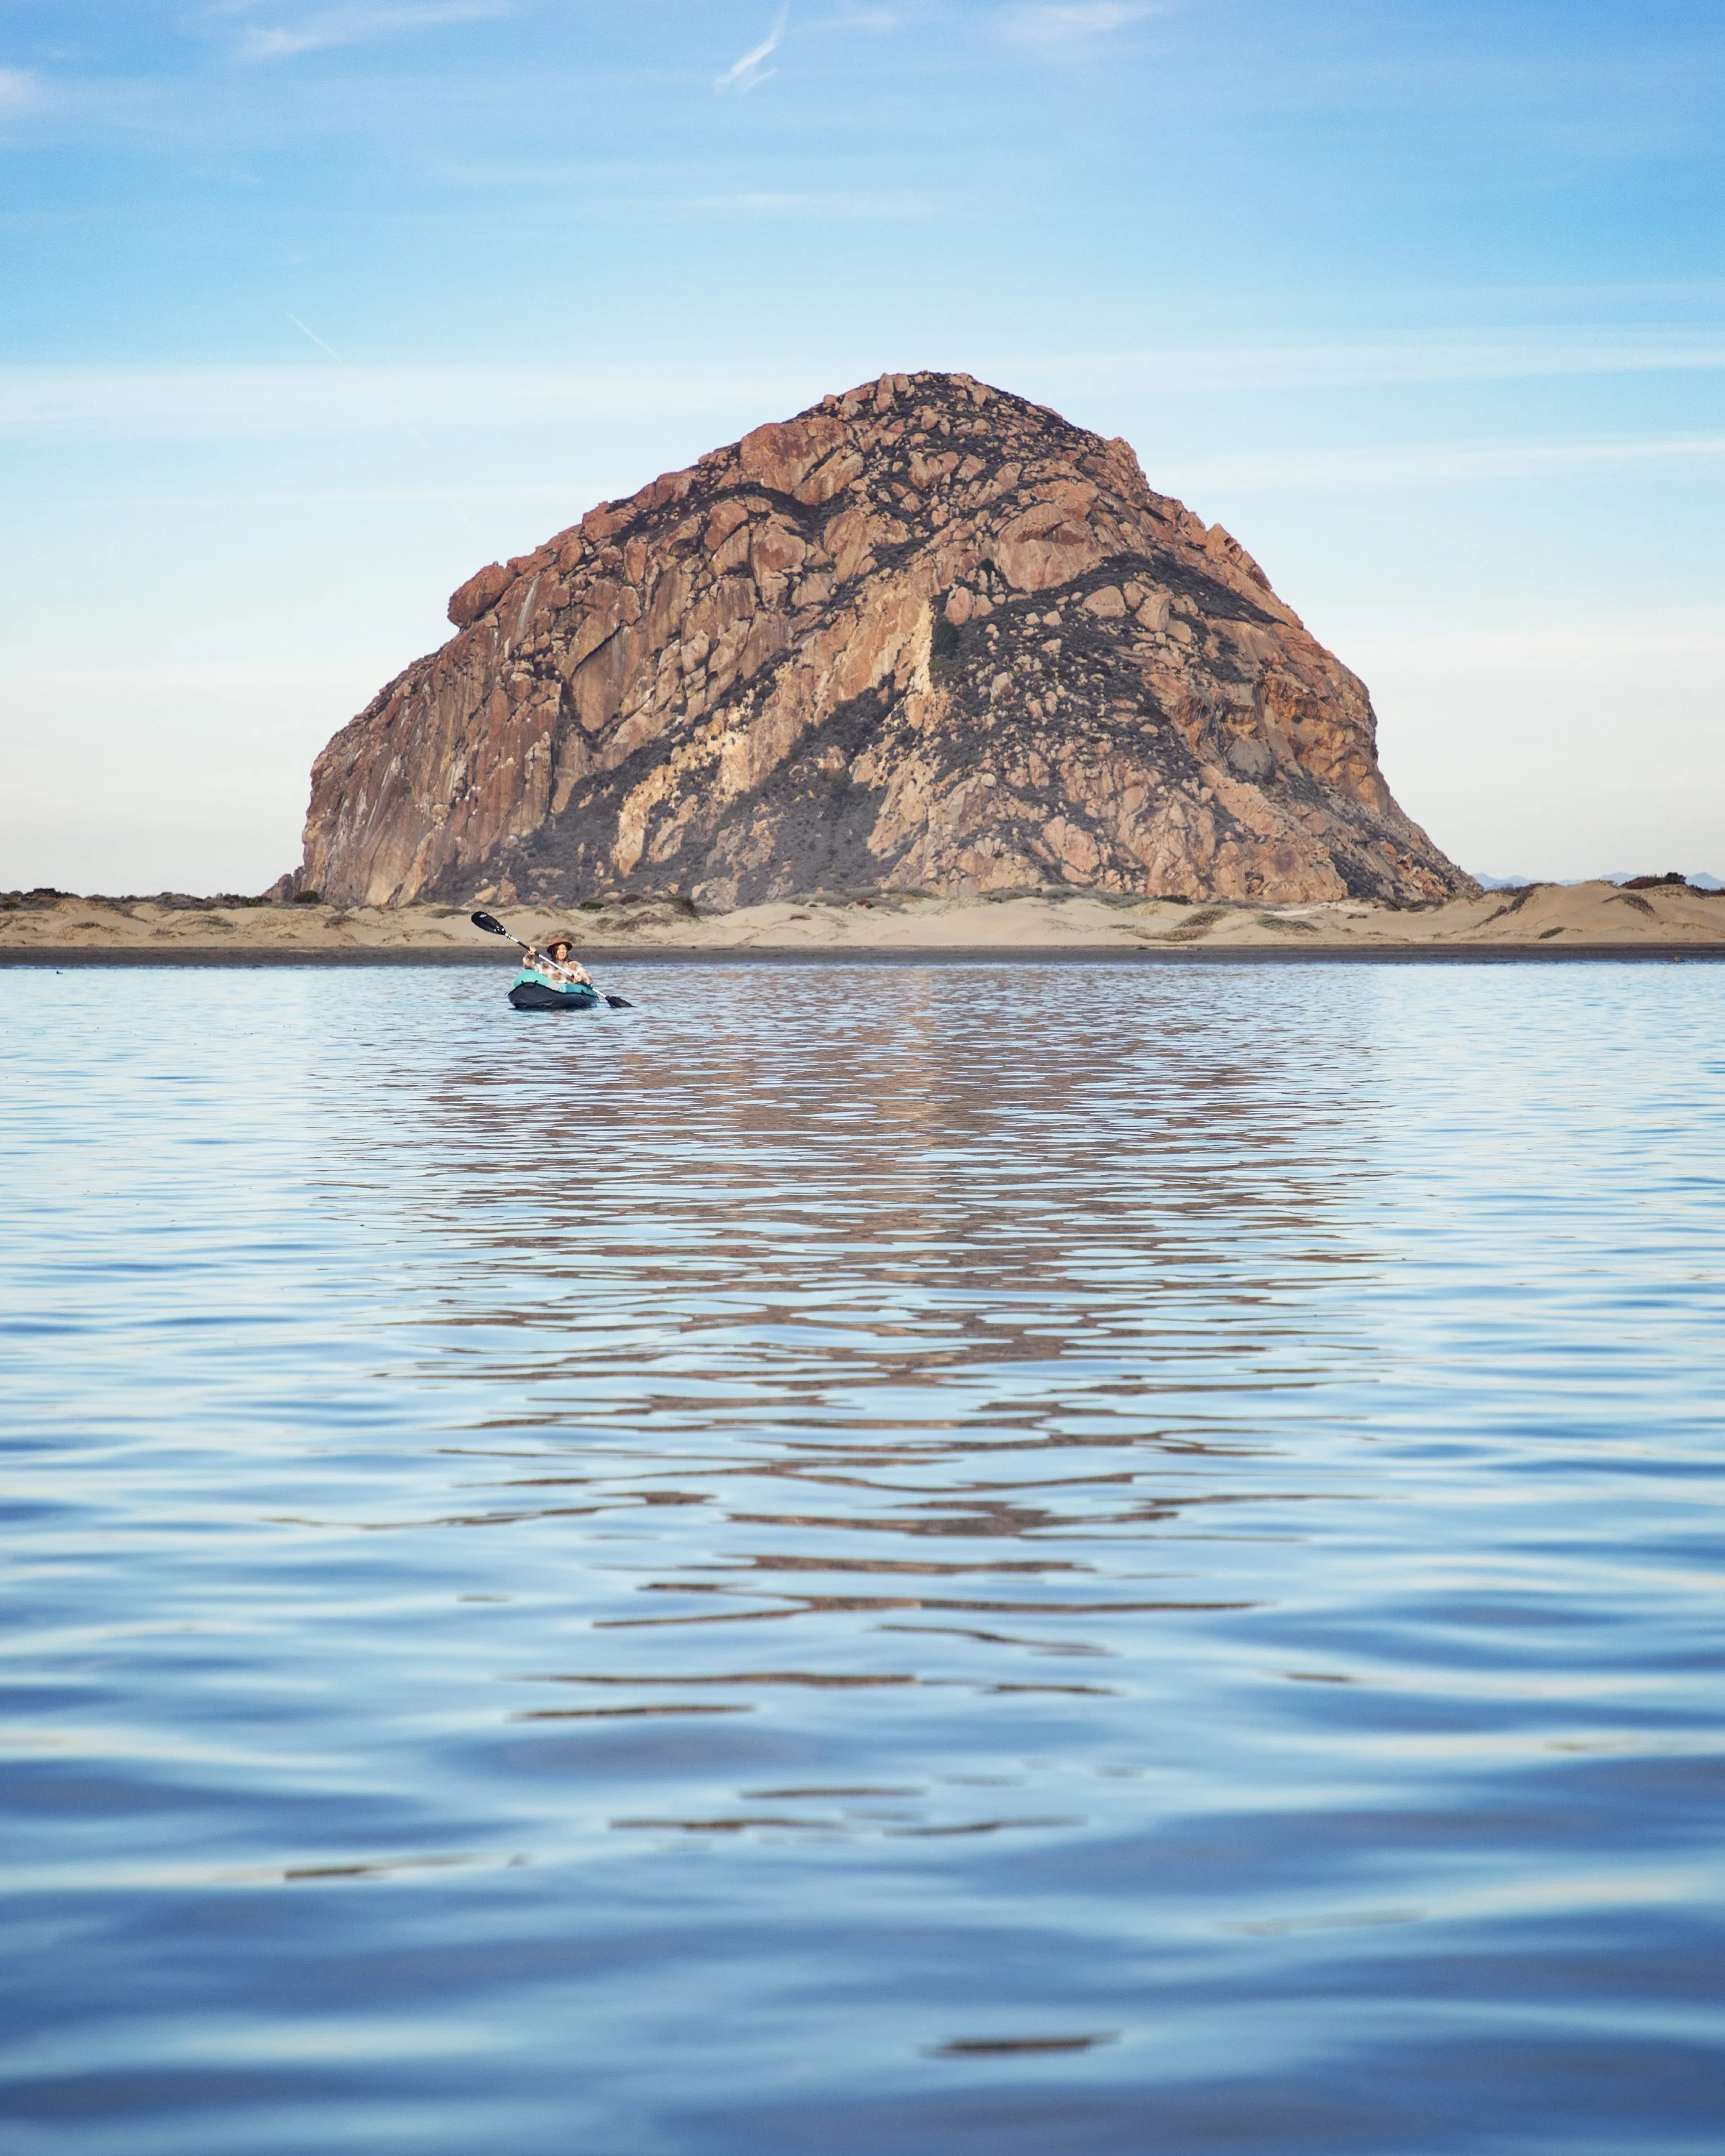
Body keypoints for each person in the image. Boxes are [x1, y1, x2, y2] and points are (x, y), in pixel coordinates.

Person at [514, 933, 595, 995]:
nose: (562, 951)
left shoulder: (574, 965)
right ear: (554, 952)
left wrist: (581, 979)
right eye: (559, 949)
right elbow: (529, 968)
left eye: (564, 949)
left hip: (568, 995)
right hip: (549, 995)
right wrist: (530, 956)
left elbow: (589, 978)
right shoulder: (545, 965)